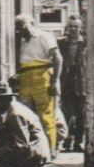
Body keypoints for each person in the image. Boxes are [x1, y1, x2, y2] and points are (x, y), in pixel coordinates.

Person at [0, 80, 52, 167]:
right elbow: (2, 134)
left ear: (2, 100)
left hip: (33, 155)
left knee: (0, 149)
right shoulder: (12, 109)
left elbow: (20, 145)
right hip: (31, 151)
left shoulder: (15, 114)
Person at [14, 16, 60, 149]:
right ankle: (34, 150)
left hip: (42, 77)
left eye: (23, 26)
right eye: (18, 27)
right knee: (26, 115)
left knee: (45, 116)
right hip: (25, 79)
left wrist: (54, 81)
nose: (20, 30)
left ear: (32, 23)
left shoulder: (44, 36)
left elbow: (58, 59)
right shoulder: (20, 40)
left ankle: (50, 150)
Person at [57, 15, 88, 152]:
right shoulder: (61, 43)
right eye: (70, 26)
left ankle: (78, 142)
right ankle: (67, 140)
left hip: (82, 83)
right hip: (66, 82)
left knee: (81, 114)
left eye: (76, 26)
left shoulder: (86, 43)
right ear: (67, 28)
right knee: (67, 113)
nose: (73, 29)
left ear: (80, 28)